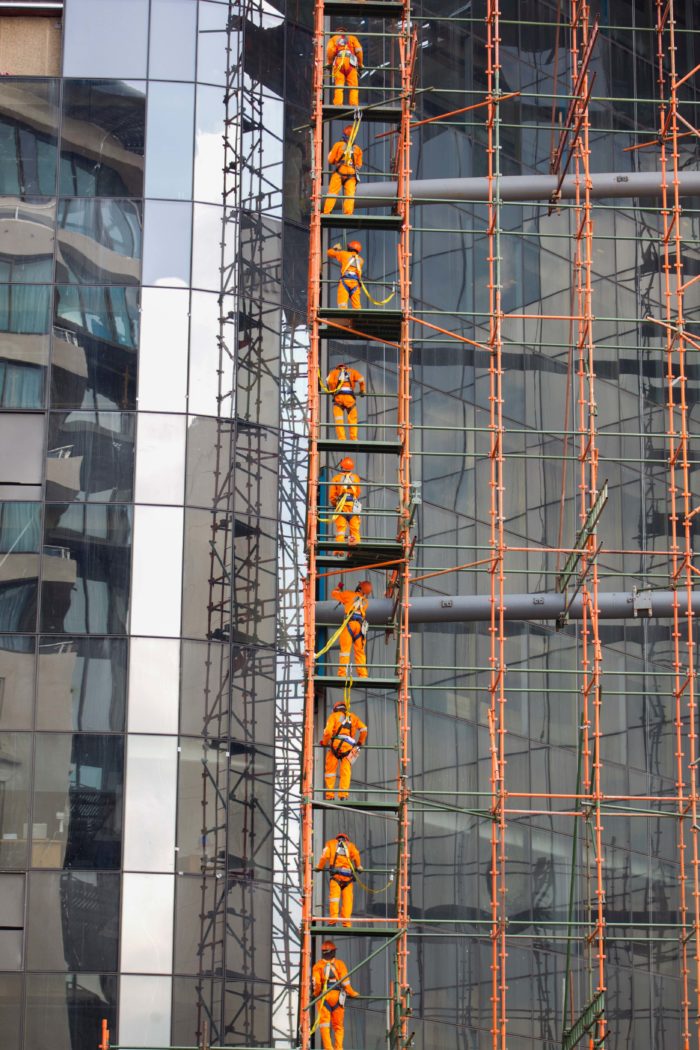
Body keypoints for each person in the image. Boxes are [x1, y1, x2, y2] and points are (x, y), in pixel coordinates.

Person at [312, 940, 359, 1050]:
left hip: (324, 997)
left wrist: (316, 994)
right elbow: (345, 981)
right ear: (333, 952)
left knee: (324, 1025)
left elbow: (317, 983)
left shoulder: (318, 966)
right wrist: (352, 993)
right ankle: (338, 1048)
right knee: (338, 1026)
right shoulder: (339, 964)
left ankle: (329, 1048)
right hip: (337, 996)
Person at [320, 699, 368, 800]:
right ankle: (343, 795)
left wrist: (324, 743)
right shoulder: (353, 717)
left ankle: (330, 796)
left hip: (335, 745)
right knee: (346, 771)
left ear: (335, 709)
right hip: (349, 746)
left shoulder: (333, 716)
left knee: (330, 771)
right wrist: (360, 742)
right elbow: (364, 729)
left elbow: (328, 732)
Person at [316, 832, 363, 927]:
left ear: (337, 838)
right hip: (347, 878)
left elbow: (324, 856)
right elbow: (356, 855)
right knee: (347, 901)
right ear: (346, 839)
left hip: (336, 877)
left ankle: (333, 922)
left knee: (334, 899)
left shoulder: (330, 843)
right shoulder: (350, 845)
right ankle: (346, 923)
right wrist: (358, 866)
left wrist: (319, 867)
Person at [331, 579, 372, 677]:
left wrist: (338, 587)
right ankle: (363, 675)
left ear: (359, 587)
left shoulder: (348, 595)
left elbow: (334, 594)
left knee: (345, 651)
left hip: (349, 624)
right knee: (360, 652)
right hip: (360, 627)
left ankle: (342, 674)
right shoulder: (365, 602)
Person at [324, 125, 363, 215]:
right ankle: (348, 213)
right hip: (351, 175)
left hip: (339, 172)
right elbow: (359, 165)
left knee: (332, 193)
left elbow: (330, 160)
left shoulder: (338, 145)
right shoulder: (358, 149)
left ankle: (327, 212)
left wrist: (337, 160)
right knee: (350, 194)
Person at [325, 361, 366, 441]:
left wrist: (333, 390)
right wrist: (362, 390)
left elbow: (329, 381)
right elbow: (361, 379)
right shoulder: (352, 371)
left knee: (339, 419)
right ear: (345, 367)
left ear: (338, 367)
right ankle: (353, 438)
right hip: (349, 398)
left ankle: (342, 438)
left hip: (338, 398)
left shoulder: (333, 372)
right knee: (353, 418)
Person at [326, 28, 364, 107]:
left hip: (339, 62)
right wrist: (360, 64)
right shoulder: (352, 38)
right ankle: (354, 104)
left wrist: (329, 63)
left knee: (339, 85)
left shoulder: (333, 39)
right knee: (353, 86)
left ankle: (338, 104)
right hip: (351, 62)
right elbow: (359, 51)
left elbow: (330, 51)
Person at [329, 457, 361, 546]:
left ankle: (339, 550)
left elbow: (332, 496)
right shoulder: (356, 478)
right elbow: (357, 493)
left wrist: (335, 504)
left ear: (342, 467)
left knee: (341, 530)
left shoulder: (336, 478)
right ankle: (356, 549)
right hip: (353, 507)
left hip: (341, 507)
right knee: (354, 529)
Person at [327, 241, 363, 310]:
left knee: (342, 305)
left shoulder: (343, 254)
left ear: (349, 248)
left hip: (345, 281)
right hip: (355, 283)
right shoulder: (361, 260)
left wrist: (335, 248)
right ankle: (357, 319)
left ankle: (343, 317)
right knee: (357, 306)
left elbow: (329, 253)